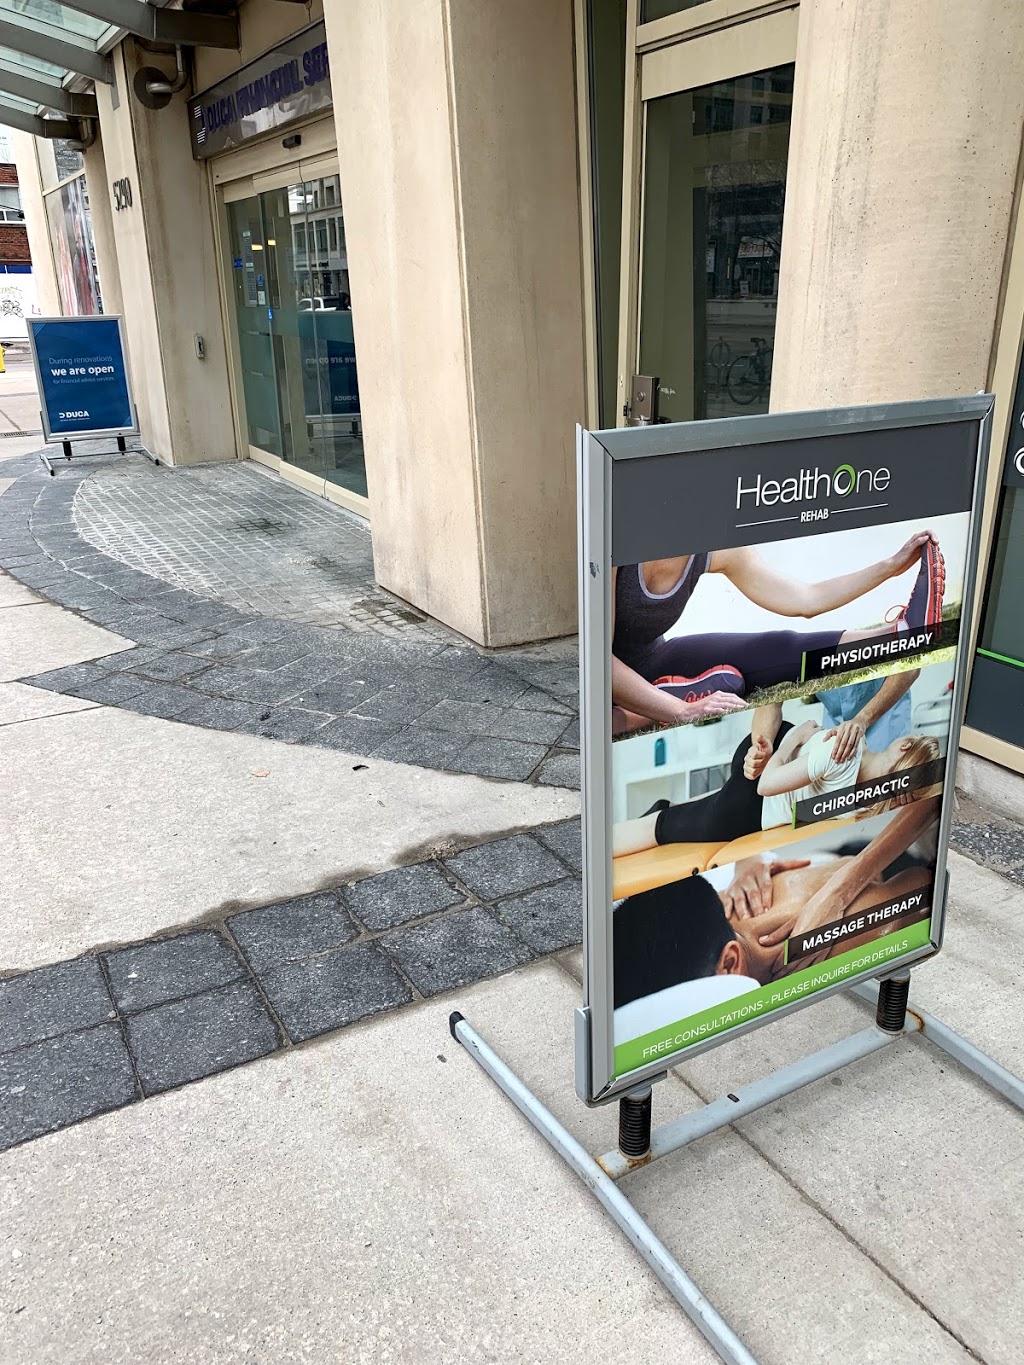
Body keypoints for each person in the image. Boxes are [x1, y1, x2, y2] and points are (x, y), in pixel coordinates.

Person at [613, 798, 938, 1008]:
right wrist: (745, 857)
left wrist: (837, 892)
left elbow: (925, 886)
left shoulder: (857, 934)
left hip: (877, 859)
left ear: (730, 963)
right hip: (824, 862)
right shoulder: (697, 909)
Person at [611, 534, 944, 733]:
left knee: (774, 646)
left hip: (651, 659)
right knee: (599, 721)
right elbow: (594, 658)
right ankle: (657, 703)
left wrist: (890, 567)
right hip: (597, 681)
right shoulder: (616, 540)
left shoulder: (715, 547)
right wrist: (680, 710)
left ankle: (897, 635)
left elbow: (805, 598)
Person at [612, 678, 937, 856]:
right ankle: (597, 856)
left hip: (763, 787)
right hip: (760, 780)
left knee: (682, 818)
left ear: (904, 744)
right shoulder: (852, 770)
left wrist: (795, 741)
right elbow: (768, 784)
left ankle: (663, 810)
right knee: (664, 829)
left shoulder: (854, 764)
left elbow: (789, 798)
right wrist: (784, 744)